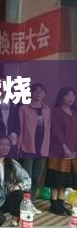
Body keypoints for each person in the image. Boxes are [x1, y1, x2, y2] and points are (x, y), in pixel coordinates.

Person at [18, 83, 51, 214]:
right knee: (27, 177)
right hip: (27, 146)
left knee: (37, 177)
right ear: (31, 93)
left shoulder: (47, 110)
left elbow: (49, 130)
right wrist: (19, 145)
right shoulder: (24, 108)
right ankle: (24, 203)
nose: (38, 93)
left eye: (41, 91)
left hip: (42, 147)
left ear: (45, 94)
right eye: (35, 91)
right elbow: (20, 127)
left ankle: (31, 202)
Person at [46, 86, 77, 216]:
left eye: (73, 95)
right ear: (61, 97)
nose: (71, 98)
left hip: (73, 151)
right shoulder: (55, 111)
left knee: (65, 179)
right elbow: (56, 131)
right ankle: (54, 204)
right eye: (67, 95)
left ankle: (61, 203)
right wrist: (65, 148)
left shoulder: (74, 113)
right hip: (58, 150)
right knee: (57, 178)